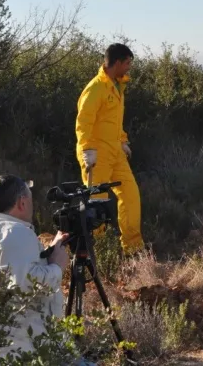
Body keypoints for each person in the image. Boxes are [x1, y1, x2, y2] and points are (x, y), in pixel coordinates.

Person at [0, 175, 70, 359]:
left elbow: (13, 267)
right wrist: (57, 267)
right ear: (22, 203)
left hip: (0, 344)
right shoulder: (14, 232)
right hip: (25, 348)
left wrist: (50, 250)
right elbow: (27, 284)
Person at [75, 43, 143, 256]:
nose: (129, 68)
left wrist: (122, 141)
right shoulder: (96, 88)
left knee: (131, 196)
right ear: (118, 63)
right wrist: (87, 149)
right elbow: (84, 121)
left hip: (115, 154)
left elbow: (113, 120)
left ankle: (133, 249)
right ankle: (99, 254)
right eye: (128, 63)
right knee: (97, 204)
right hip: (96, 156)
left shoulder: (117, 85)